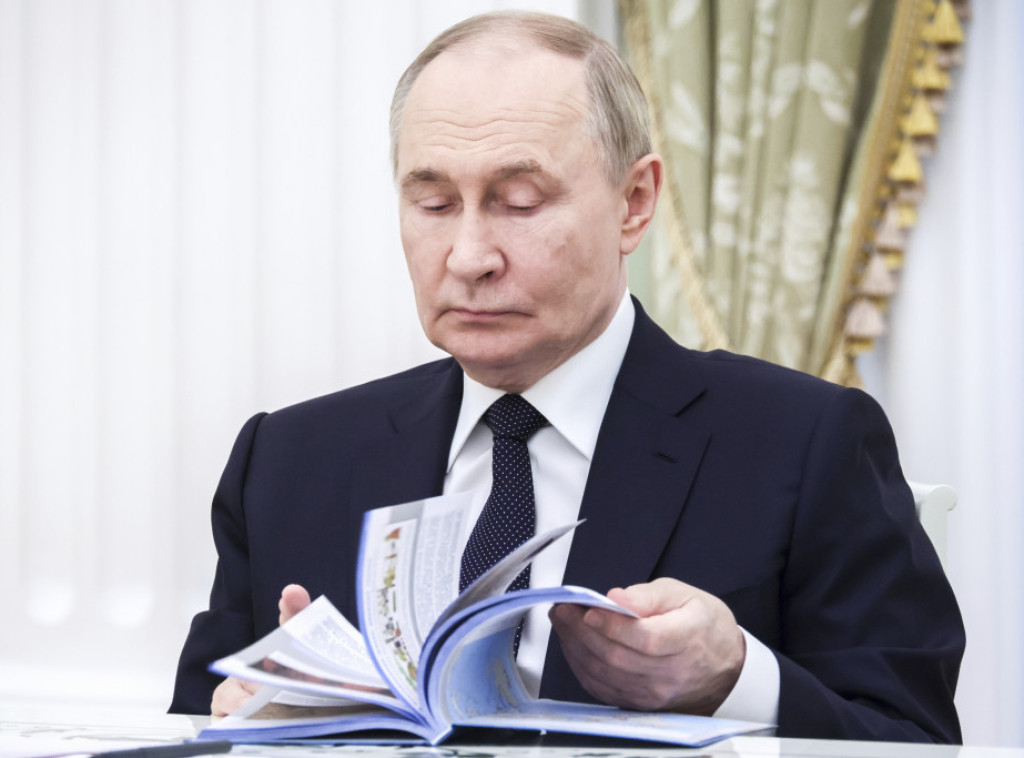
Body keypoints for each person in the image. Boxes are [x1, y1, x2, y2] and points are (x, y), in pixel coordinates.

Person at [170, 10, 964, 743]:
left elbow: (915, 738)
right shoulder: (288, 461)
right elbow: (187, 725)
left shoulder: (804, 442)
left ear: (634, 202)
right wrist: (249, 726)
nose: (469, 257)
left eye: (519, 202)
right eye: (435, 204)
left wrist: (735, 678)